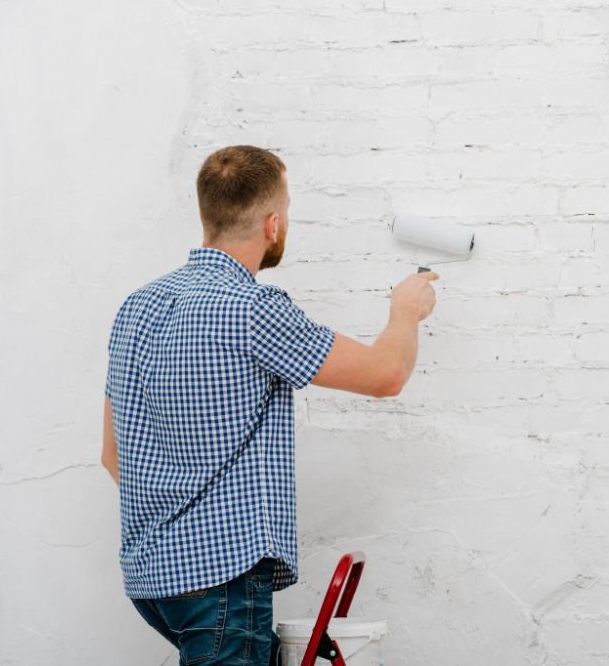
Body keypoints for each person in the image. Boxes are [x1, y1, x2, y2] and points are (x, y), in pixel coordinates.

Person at [101, 145, 439, 665]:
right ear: (273, 224)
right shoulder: (254, 309)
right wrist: (405, 311)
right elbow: (386, 375)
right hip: (221, 581)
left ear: (205, 214)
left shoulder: (138, 307)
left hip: (154, 579)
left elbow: (113, 456)